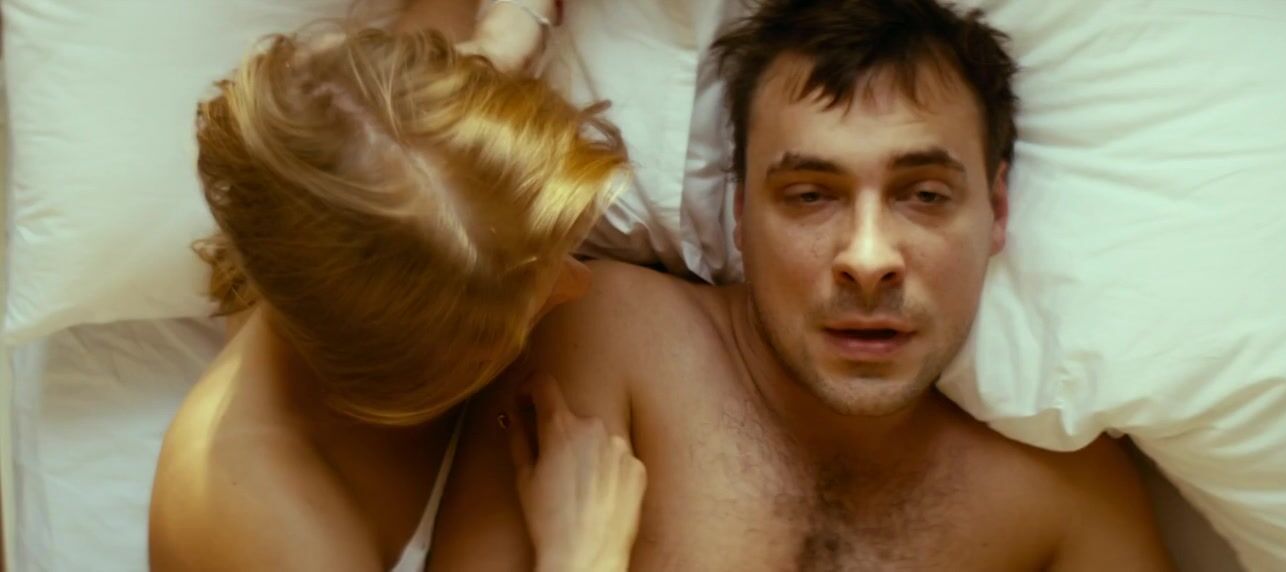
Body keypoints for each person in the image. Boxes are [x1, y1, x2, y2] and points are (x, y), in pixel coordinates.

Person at [428, 0, 1174, 570]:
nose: (868, 258)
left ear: (998, 210)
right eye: (811, 195)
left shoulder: (1065, 496)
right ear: (738, 212)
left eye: (924, 195)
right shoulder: (601, 336)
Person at [148, 11, 646, 571]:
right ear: (422, 373)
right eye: (526, 311)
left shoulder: (366, 139)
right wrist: (583, 551)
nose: (580, 283)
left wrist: (501, 44)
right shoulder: (270, 530)